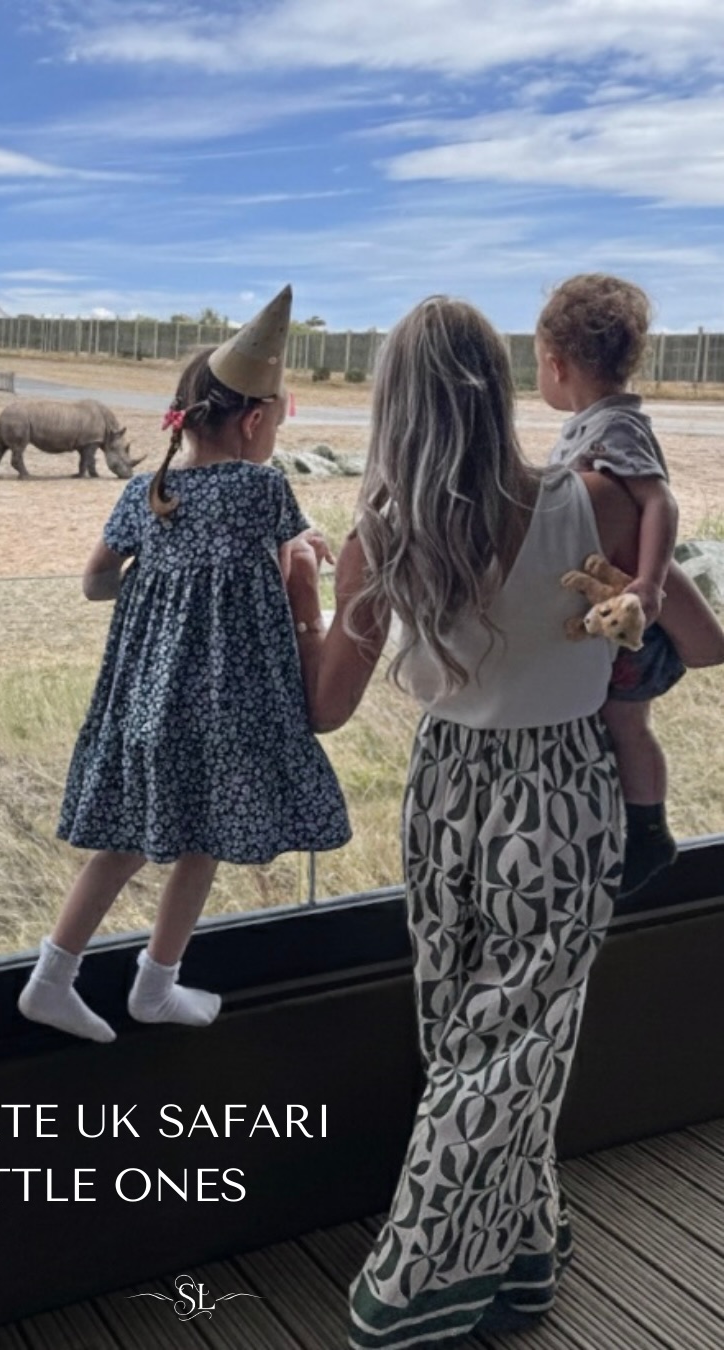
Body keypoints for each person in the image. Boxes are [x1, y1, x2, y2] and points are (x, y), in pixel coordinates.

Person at [281, 296, 724, 1348]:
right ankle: (410, 1292)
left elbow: (327, 706)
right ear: (504, 384)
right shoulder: (600, 502)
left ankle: (522, 1260)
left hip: (445, 790)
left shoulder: (382, 533)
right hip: (561, 787)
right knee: (516, 1042)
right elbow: (705, 643)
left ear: (394, 403)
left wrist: (299, 598)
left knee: (466, 1032)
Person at [18, 285, 350, 1044]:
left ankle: (58, 978)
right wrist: (301, 549)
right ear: (256, 421)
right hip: (227, 707)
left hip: (151, 702)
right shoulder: (263, 488)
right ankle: (152, 981)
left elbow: (95, 582)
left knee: (130, 842)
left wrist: (160, 586)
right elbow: (276, 575)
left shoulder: (147, 491)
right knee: (203, 839)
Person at [535, 273, 683, 895]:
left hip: (631, 617)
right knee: (610, 724)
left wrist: (649, 584)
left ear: (557, 364)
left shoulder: (615, 428)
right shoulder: (594, 423)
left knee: (626, 724)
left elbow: (659, 502)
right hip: (607, 611)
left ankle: (649, 832)